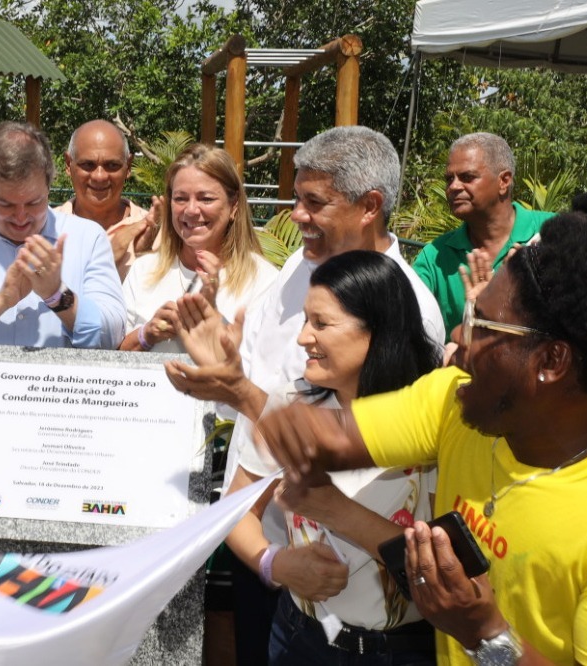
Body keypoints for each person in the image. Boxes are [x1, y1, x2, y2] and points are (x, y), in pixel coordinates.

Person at [256, 213, 587, 664]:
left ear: (550, 361)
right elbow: (331, 436)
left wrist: (484, 635)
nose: (458, 336)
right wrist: (235, 390)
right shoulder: (454, 401)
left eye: (485, 325)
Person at [163, 126, 444, 664]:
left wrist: (240, 389)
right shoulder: (303, 266)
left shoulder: (414, 310)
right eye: (296, 198)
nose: (296, 216)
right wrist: (230, 358)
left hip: (375, 627)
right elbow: (275, 386)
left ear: (371, 206)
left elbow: (429, 556)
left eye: (314, 202)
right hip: (272, 556)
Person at [225, 250, 441, 664]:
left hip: (404, 651)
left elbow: (442, 572)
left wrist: (336, 511)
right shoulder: (290, 407)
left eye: (321, 323)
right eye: (306, 320)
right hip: (298, 641)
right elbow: (239, 512)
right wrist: (275, 563)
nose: (303, 337)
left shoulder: (433, 422)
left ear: (378, 329)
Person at [0, 121, 125, 351]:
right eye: (5, 204)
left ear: (49, 186)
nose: (20, 217)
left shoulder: (88, 238)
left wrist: (58, 296)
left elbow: (113, 332)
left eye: (33, 203)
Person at [120, 143, 276, 353]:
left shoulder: (264, 280)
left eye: (206, 199)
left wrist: (213, 322)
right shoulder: (143, 270)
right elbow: (113, 360)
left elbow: (265, 368)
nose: (191, 210)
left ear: (234, 206)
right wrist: (147, 334)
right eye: (181, 198)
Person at [412, 133, 555, 338]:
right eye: (449, 179)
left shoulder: (552, 232)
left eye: (467, 177)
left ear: (504, 181)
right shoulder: (435, 257)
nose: (453, 187)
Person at [57, 120, 159, 281]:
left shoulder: (157, 233)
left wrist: (143, 256)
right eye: (88, 165)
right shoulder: (43, 230)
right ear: (69, 165)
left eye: (112, 165)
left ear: (129, 166)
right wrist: (110, 254)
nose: (100, 176)